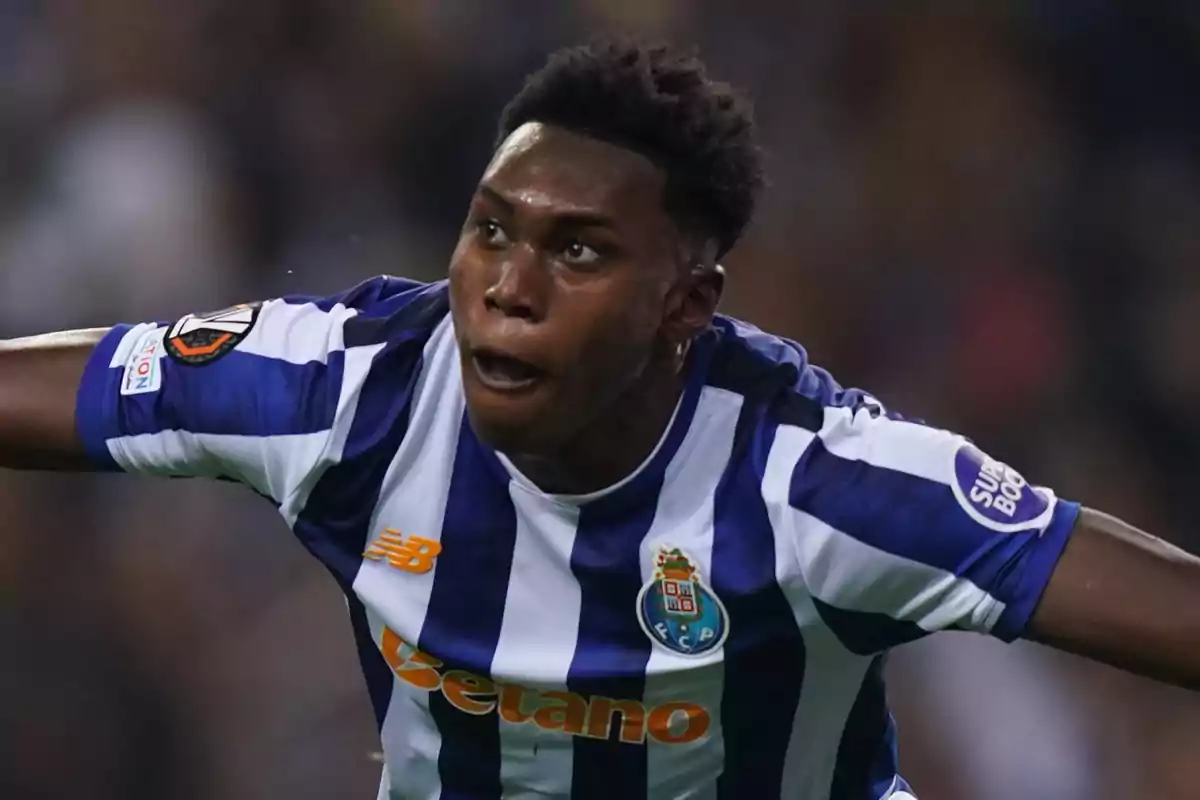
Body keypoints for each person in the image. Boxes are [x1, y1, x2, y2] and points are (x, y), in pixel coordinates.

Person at [2, 39, 1197, 800]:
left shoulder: (813, 484)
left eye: (577, 250)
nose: (508, 283)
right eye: (491, 228)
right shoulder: (345, 393)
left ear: (685, 304)